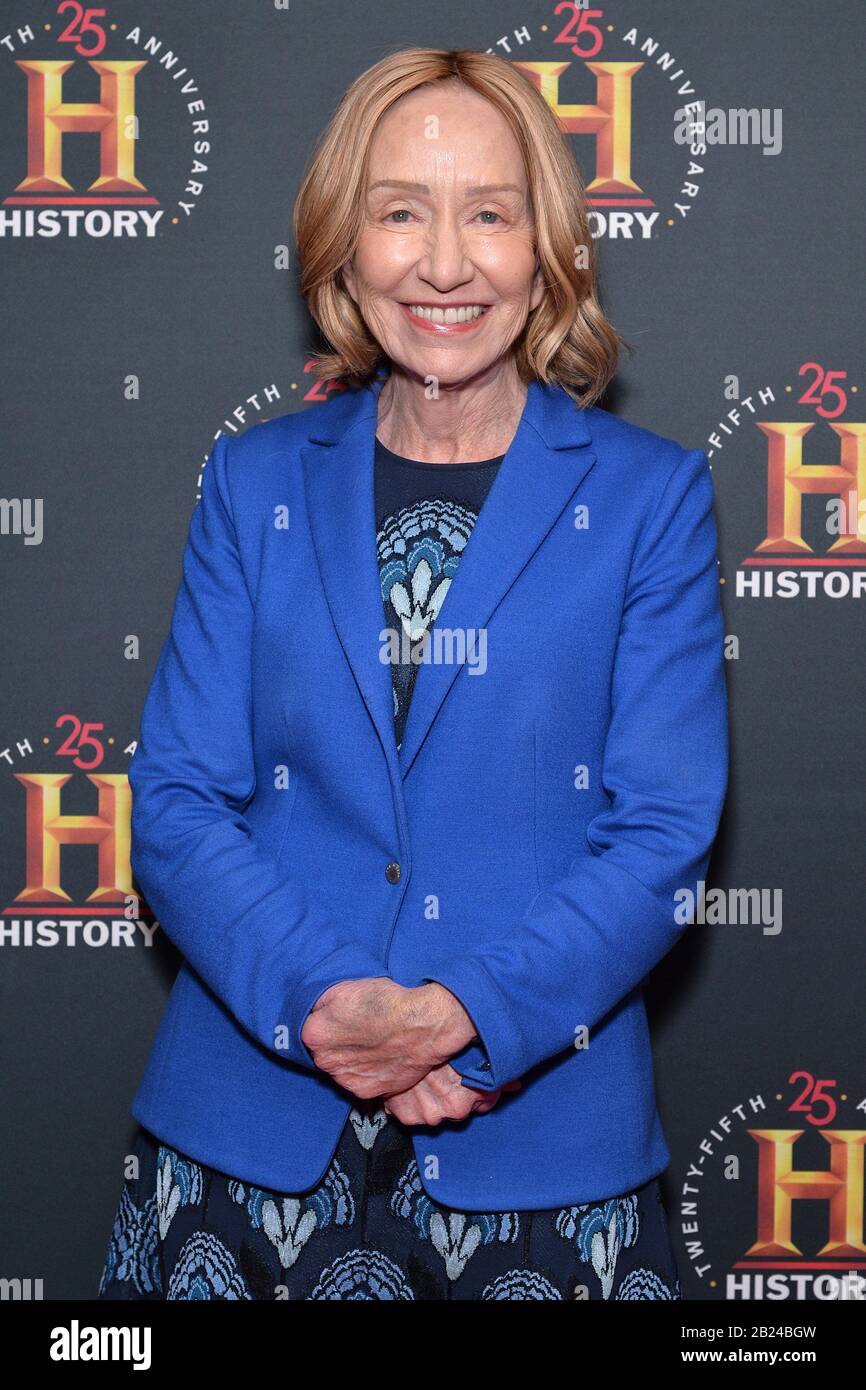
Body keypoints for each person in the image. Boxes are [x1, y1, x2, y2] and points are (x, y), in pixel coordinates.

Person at [98, 47, 728, 1301]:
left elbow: (661, 827)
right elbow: (174, 798)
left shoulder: (651, 497)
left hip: (542, 1161)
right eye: (400, 212)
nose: (445, 263)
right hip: (242, 1145)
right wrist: (333, 1005)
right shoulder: (253, 481)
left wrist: (462, 1012)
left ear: (546, 249)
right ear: (343, 244)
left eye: (488, 214)